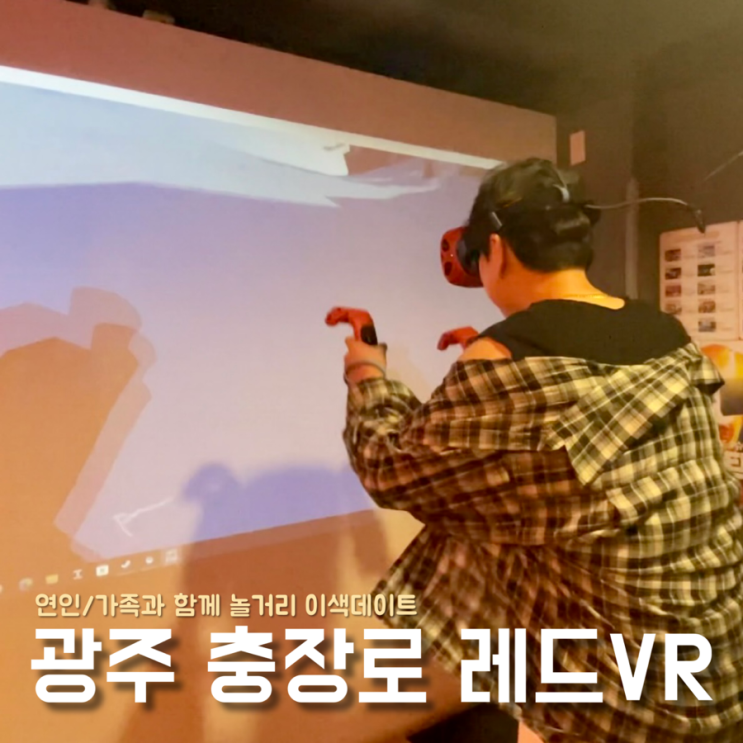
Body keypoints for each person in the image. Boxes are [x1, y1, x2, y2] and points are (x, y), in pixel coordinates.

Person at [340, 158, 743, 742]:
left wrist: (366, 372)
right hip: (713, 667)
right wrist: (488, 364)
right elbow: (579, 444)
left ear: (495, 250)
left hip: (620, 704)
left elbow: (391, 467)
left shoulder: (507, 360)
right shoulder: (665, 333)